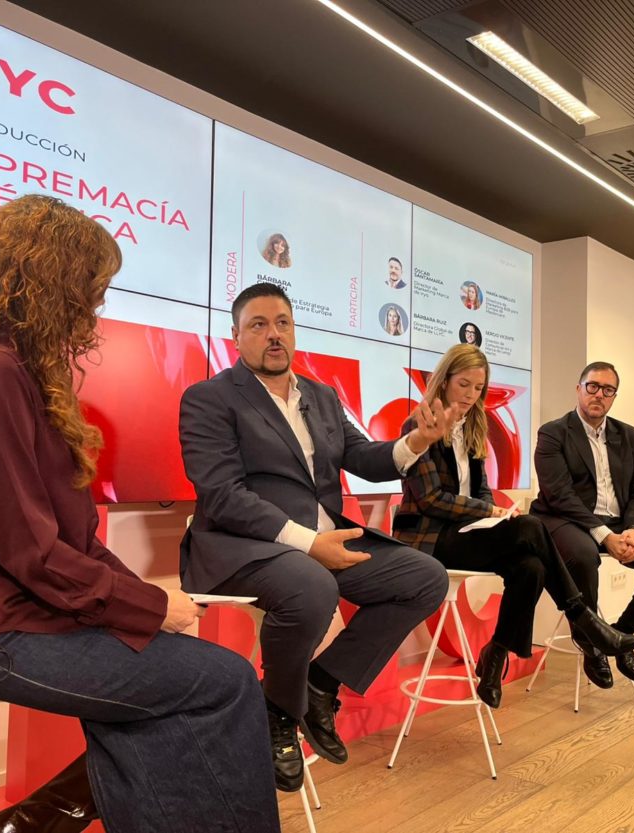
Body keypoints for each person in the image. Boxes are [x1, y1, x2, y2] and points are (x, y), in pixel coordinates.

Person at [0, 196, 279, 833]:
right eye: (92, 287)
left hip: (31, 611)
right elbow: (31, 553)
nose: (97, 305)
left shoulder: (25, 374)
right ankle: (42, 817)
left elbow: (76, 543)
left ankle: (39, 818)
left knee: (174, 689)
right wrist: (150, 607)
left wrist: (145, 600)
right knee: (225, 681)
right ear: (51, 282)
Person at [178, 282, 449, 792]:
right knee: (312, 585)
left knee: (425, 578)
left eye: (282, 323)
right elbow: (223, 495)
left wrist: (415, 441)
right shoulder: (208, 398)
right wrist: (307, 543)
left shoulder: (321, 396)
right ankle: (278, 713)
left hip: (321, 543)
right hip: (243, 547)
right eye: (259, 325)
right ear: (235, 336)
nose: (273, 335)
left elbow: (364, 458)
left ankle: (320, 684)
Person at [392, 345, 634, 707]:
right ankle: (584, 619)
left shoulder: (473, 426)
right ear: (444, 381)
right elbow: (430, 499)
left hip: (466, 532)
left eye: (479, 388)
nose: (471, 394)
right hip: (429, 537)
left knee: (531, 566)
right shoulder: (417, 425)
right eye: (464, 384)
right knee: (530, 526)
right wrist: (489, 510)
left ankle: (495, 653)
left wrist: (491, 515)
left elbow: (479, 489)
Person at [530, 361, 634, 688]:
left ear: (614, 396)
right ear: (579, 389)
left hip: (621, 522)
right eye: (592, 386)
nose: (599, 394)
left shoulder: (630, 436)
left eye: (608, 389)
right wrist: (604, 535)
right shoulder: (553, 433)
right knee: (583, 556)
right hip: (565, 519)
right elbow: (559, 494)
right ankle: (592, 645)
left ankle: (621, 635)